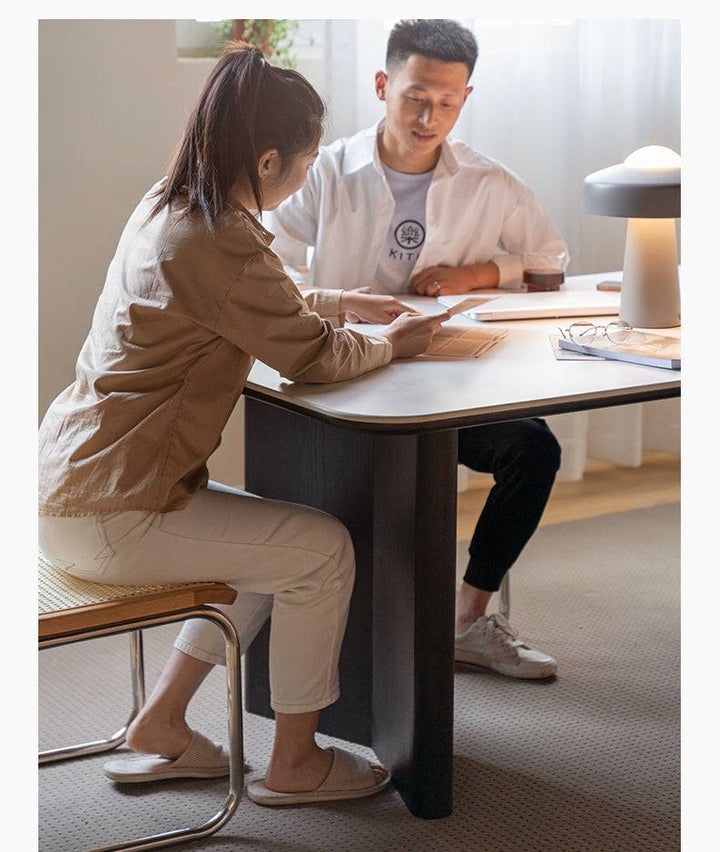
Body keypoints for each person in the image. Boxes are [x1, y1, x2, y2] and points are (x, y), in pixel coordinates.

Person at [38, 42, 449, 806]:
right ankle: (296, 764)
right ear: (267, 162)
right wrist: (390, 341)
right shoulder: (217, 239)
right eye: (305, 162)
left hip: (76, 486)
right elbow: (315, 358)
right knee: (319, 550)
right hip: (114, 512)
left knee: (266, 539)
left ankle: (160, 722)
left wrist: (339, 299)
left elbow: (252, 296)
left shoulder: (170, 202)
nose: (306, 175)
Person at [265, 19, 567, 680]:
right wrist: (341, 300)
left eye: (448, 102)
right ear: (383, 85)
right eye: (415, 97)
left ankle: (465, 620)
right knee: (374, 503)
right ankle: (343, 636)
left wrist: (478, 274)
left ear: (466, 99)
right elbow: (269, 265)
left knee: (533, 450)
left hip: (444, 385)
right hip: (347, 380)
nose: (430, 116)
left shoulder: (491, 182)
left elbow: (548, 261)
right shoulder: (327, 172)